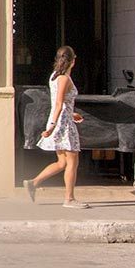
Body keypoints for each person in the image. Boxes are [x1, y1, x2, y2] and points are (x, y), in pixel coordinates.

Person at [23, 46, 90, 209]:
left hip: (61, 120)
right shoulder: (64, 79)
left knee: (62, 162)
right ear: (73, 61)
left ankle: (34, 182)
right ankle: (69, 199)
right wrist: (52, 127)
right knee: (72, 163)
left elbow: (61, 103)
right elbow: (59, 103)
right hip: (63, 125)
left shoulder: (55, 76)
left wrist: (71, 113)